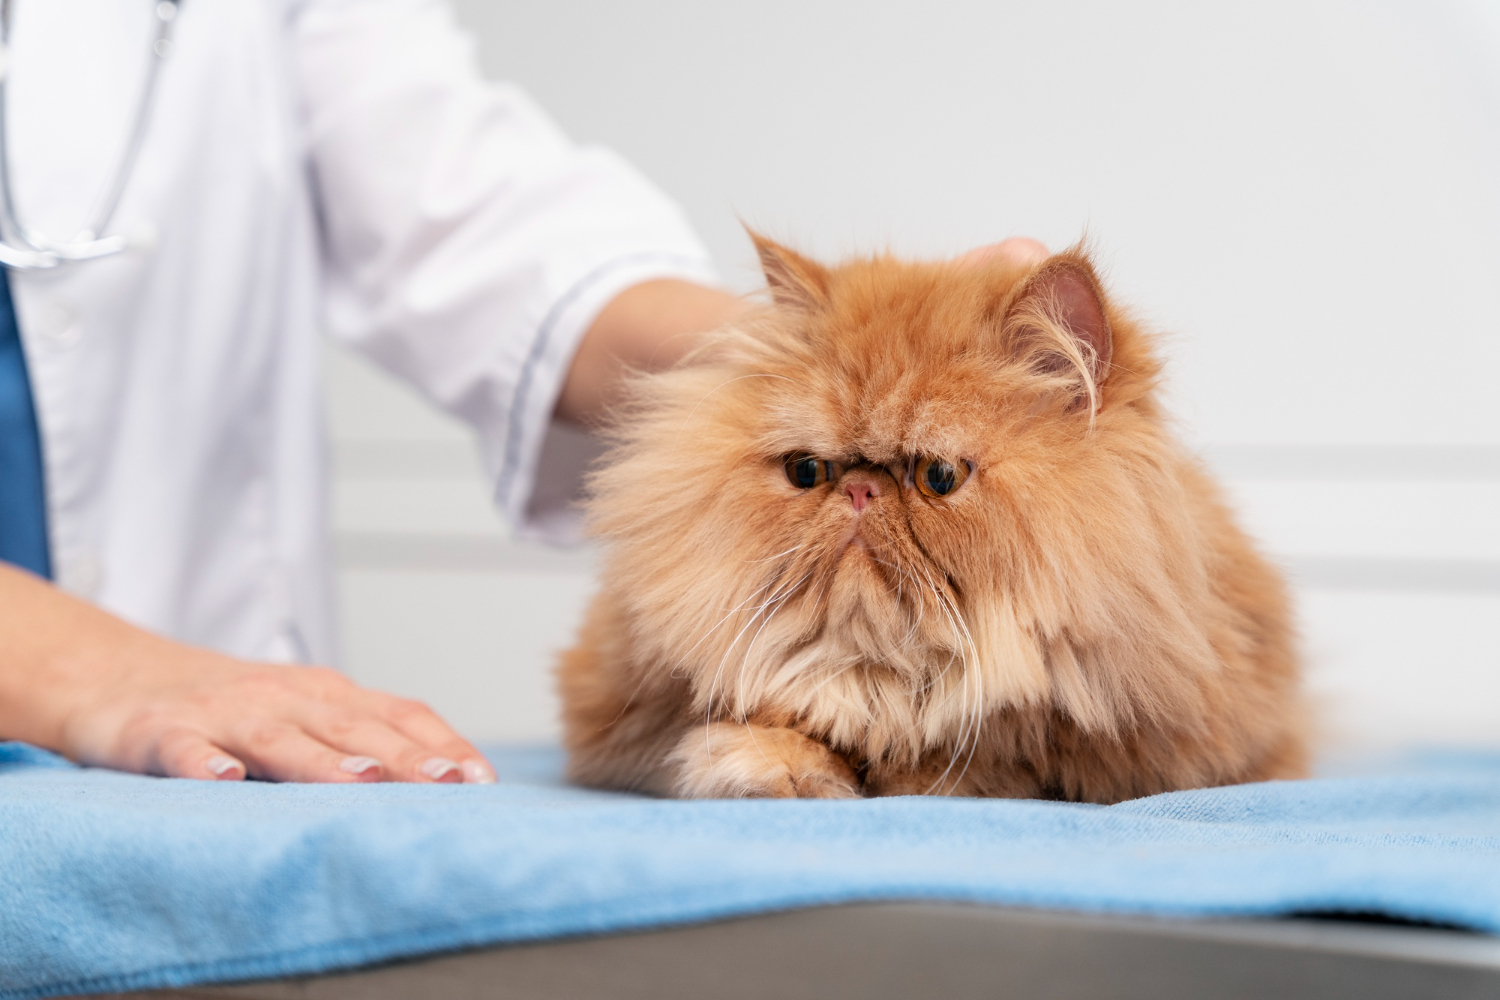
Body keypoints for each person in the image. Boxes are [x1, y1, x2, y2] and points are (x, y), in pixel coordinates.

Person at [0, 0, 1045, 785]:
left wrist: (816, 372)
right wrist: (94, 670)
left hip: (212, 758)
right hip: (158, 701)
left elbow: (462, 210)